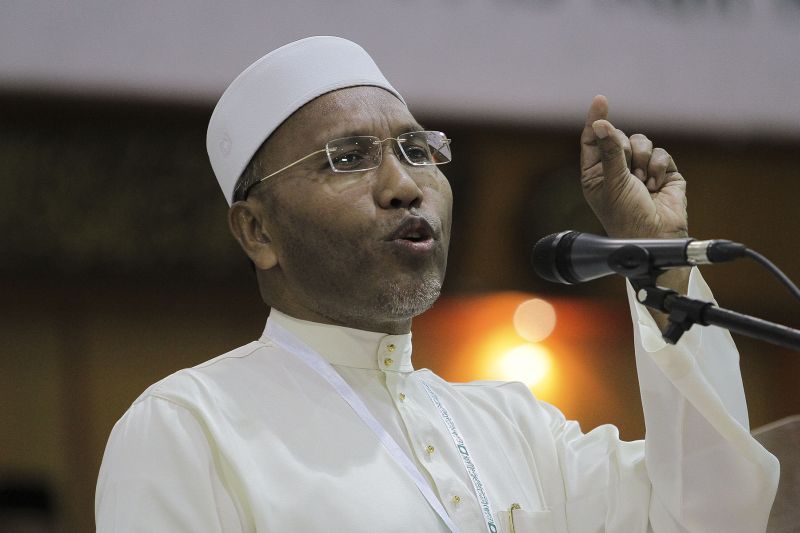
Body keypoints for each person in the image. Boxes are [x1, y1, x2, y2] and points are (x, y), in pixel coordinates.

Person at [95, 36, 778, 532]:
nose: (404, 186)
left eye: (418, 150)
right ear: (257, 231)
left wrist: (659, 259)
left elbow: (711, 514)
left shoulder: (516, 426)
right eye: (349, 158)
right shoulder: (189, 428)